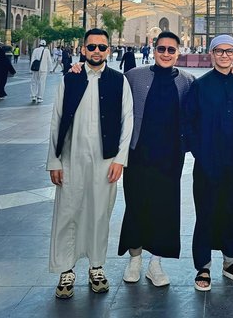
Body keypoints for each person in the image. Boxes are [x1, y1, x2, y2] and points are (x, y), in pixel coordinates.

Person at [46, 28, 133, 299]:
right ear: (83, 49)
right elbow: (57, 119)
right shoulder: (70, 79)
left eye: (102, 47)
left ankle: (97, 266)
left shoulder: (118, 81)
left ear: (109, 50)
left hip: (105, 160)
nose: (97, 51)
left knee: (99, 214)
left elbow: (127, 121)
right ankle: (66, 270)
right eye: (92, 46)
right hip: (71, 158)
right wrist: (54, 161)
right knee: (67, 212)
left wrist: (120, 159)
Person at [118, 32, 194, 286]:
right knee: (136, 204)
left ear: (178, 52)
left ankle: (155, 263)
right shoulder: (134, 77)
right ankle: (135, 259)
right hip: (139, 153)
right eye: (161, 48)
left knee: (165, 207)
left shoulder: (187, 81)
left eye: (171, 50)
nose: (166, 53)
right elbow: (106, 87)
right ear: (154, 49)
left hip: (170, 157)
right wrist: (77, 68)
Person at [184, 35, 233, 292]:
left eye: (229, 51)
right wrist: (199, 152)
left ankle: (230, 261)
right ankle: (203, 265)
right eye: (219, 51)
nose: (224, 56)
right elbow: (188, 122)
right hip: (208, 162)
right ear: (211, 54)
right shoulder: (200, 85)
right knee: (206, 210)